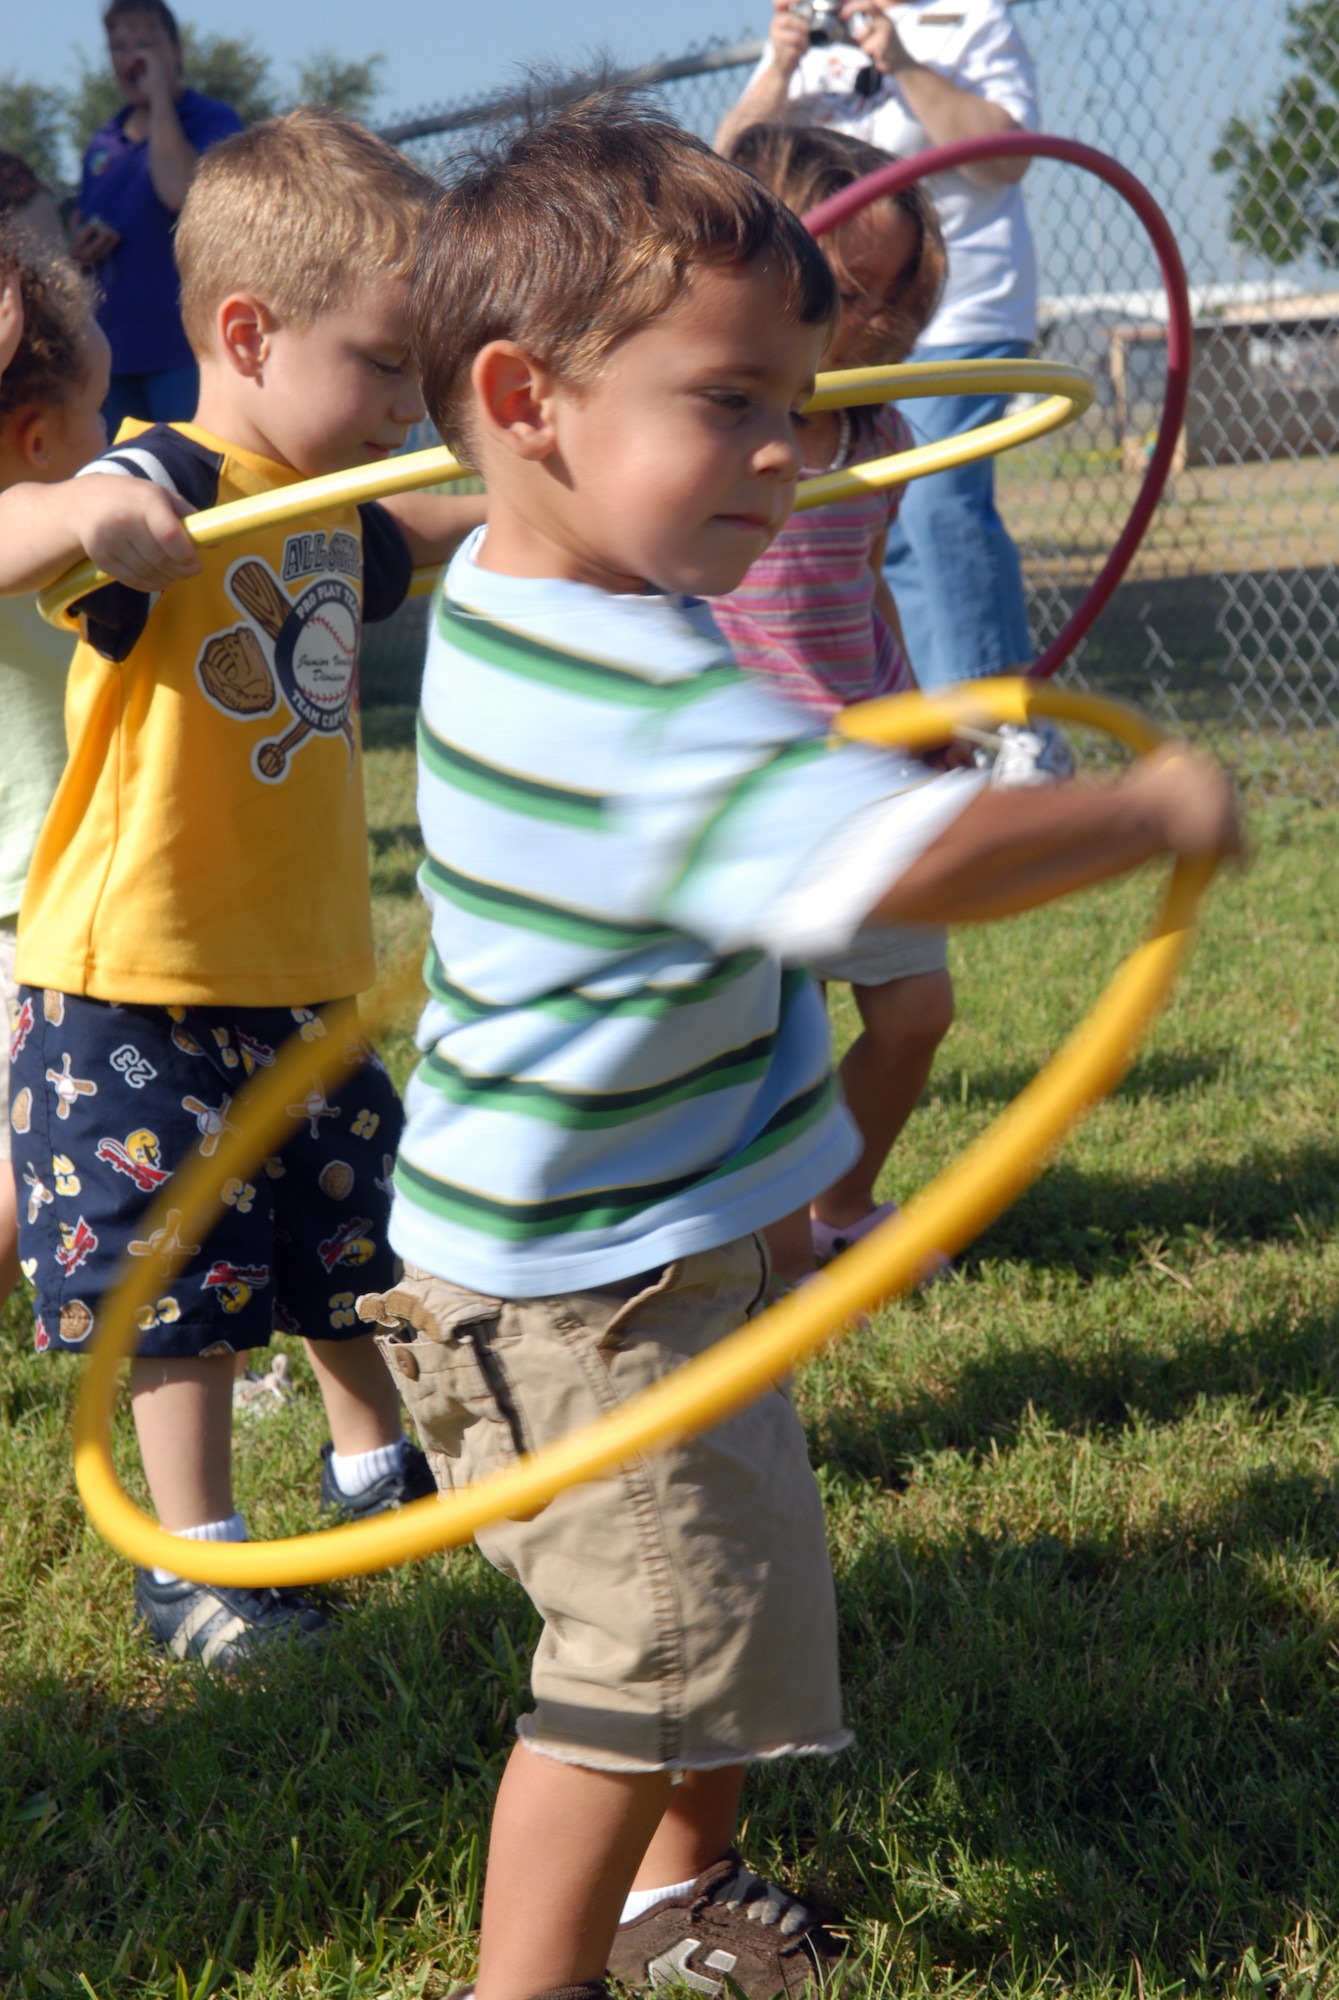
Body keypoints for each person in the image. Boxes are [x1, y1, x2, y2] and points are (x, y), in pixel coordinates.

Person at [352, 97, 1237, 2000]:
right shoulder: (619, 681)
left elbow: (761, 819)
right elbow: (858, 885)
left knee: (715, 1610)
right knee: (630, 1670)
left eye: (802, 402)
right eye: (729, 401)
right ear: (527, 401)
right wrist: (1141, 816)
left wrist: (843, 770)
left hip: (645, 1243)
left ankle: (681, 1896)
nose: (787, 454)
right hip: (587, 1300)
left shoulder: (532, 595)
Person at [0, 107, 486, 1667]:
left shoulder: (325, 503)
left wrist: (552, 498)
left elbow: (417, 524)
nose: (405, 402)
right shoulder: (167, 477)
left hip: (304, 964)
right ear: (248, 332)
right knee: (176, 1280)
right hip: (132, 974)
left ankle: (374, 1475)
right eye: (384, 365)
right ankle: (191, 1564)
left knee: (353, 1245)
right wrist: (85, 511)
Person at [711, 122, 954, 1281]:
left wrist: (921, 715)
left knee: (914, 1004)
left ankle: (838, 1206)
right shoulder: (711, 442)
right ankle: (757, 1250)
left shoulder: (880, 431)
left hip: (864, 772)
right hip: (747, 784)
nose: (889, 323)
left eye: (910, 291)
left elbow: (866, 593)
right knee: (765, 1045)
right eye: (862, 291)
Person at [717, 0, 1046, 706]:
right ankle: (926, 704)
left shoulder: (970, 18)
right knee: (875, 523)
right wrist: (778, 65)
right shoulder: (807, 43)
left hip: (954, 313)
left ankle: (995, 717)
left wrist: (901, 61)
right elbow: (728, 181)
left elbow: (1007, 154)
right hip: (817, 335)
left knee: (934, 502)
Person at [0, 231, 109, 1315]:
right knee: (45, 1172)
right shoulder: (32, 528)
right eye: (99, 415)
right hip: (33, 913)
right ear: (37, 438)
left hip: (44, 907)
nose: (116, 441)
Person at [71, 0, 242, 435]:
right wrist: (80, 249)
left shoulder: (211, 120)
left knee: (191, 480)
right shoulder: (103, 142)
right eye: (119, 46)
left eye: (146, 43)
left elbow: (179, 191)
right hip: (115, 359)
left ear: (176, 49)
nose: (133, 57)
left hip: (183, 352)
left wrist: (161, 100)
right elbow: (80, 220)